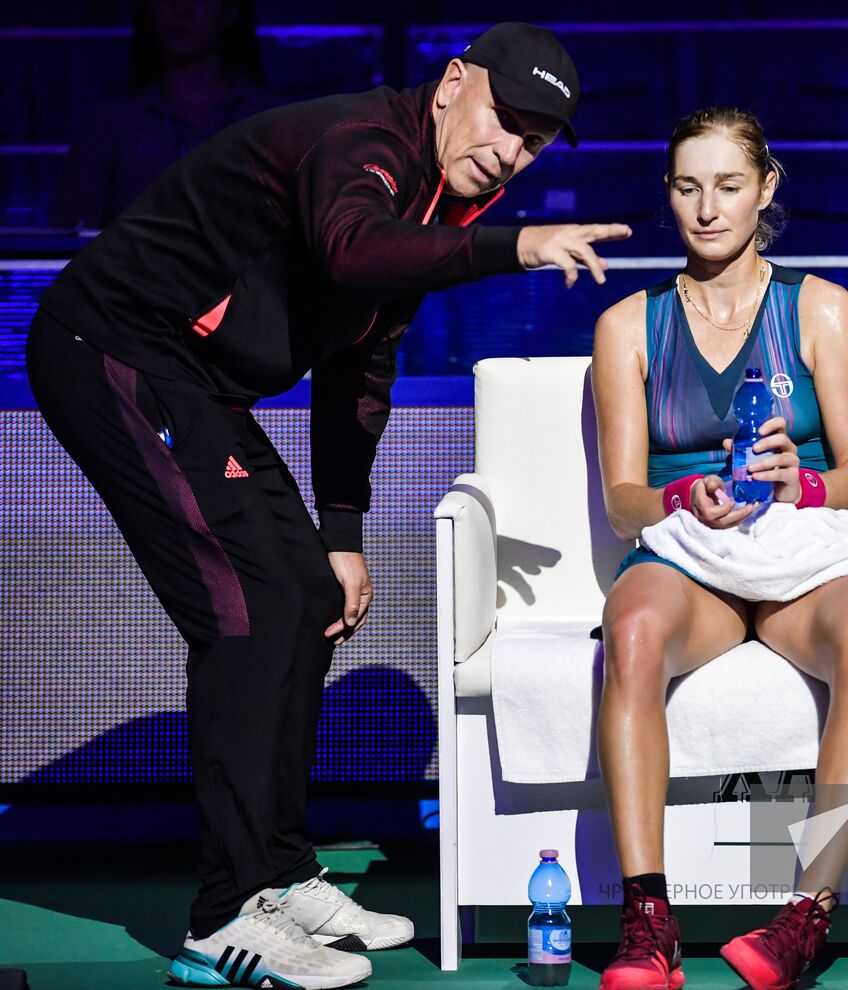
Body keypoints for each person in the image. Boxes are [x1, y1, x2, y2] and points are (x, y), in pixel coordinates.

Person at [26, 21, 630, 990]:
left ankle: (282, 871)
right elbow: (355, 253)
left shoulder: (434, 199)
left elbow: (359, 364)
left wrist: (341, 534)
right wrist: (513, 247)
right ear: (450, 85)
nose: (509, 149)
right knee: (245, 611)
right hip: (115, 349)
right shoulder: (363, 148)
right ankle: (224, 917)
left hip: (195, 382)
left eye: (533, 141)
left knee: (306, 593)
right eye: (502, 119)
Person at [590, 107, 848, 990]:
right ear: (668, 196)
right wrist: (683, 492)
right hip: (690, 554)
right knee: (635, 633)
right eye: (688, 187)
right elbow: (623, 505)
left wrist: (800, 480)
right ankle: (648, 922)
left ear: (766, 189)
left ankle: (805, 921)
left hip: (803, 548)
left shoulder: (822, 309)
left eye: (729, 186)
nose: (708, 207)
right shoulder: (626, 328)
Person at [52, 0, 283, 229]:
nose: (180, 9)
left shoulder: (275, 119)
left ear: (231, 11)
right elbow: (70, 237)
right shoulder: (110, 124)